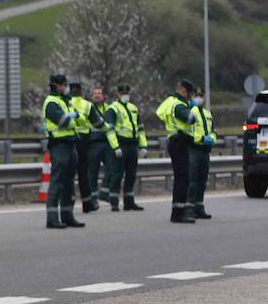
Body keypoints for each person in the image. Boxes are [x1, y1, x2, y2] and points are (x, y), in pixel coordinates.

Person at [43, 74, 83, 229]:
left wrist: (73, 119)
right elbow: (64, 122)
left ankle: (67, 215)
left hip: (70, 144)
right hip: (58, 145)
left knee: (69, 183)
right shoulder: (52, 103)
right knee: (57, 181)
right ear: (56, 86)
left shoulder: (65, 101)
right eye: (64, 85)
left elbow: (79, 119)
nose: (66, 87)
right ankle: (52, 218)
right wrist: (73, 119)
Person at [156, 78, 198, 224]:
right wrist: (193, 109)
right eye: (189, 94)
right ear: (183, 91)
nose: (190, 97)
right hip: (179, 142)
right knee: (182, 178)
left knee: (181, 177)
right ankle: (178, 213)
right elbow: (190, 119)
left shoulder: (171, 102)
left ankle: (179, 210)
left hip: (176, 142)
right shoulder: (179, 105)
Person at [102, 84, 147, 212]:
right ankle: (114, 202)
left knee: (131, 174)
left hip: (132, 145)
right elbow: (109, 130)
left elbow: (140, 128)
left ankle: (129, 202)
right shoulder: (113, 109)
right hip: (120, 144)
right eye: (122, 94)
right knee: (117, 174)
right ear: (118, 95)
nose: (125, 96)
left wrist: (143, 145)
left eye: (127, 93)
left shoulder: (134, 108)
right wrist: (115, 146)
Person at [187, 86, 215, 220]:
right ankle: (189, 207)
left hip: (205, 150)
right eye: (196, 96)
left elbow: (213, 131)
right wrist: (201, 139)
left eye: (201, 96)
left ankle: (199, 206)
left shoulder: (207, 113)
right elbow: (189, 132)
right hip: (194, 149)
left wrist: (212, 139)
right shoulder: (189, 113)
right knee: (192, 180)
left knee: (202, 180)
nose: (199, 99)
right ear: (192, 98)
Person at [85, 86, 116, 201]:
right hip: (93, 143)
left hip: (107, 142)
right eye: (95, 94)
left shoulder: (108, 108)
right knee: (92, 172)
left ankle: (104, 191)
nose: (97, 95)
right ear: (92, 97)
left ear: (103, 96)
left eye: (99, 93)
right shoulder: (89, 108)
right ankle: (93, 197)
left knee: (112, 168)